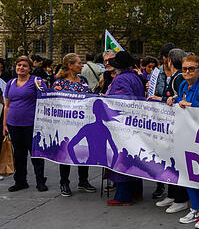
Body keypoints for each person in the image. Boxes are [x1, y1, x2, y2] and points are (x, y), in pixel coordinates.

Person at [165, 55, 199, 229]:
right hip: (186, 137)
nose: (187, 72)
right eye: (184, 68)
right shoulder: (182, 85)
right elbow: (180, 99)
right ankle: (196, 208)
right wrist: (173, 100)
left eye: (191, 68)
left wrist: (189, 105)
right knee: (189, 174)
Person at [52, 53, 97, 197]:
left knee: (84, 150)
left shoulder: (82, 80)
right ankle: (64, 182)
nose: (82, 65)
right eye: (78, 63)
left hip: (83, 123)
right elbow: (54, 102)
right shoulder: (59, 83)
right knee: (66, 151)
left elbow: (89, 96)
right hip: (67, 125)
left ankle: (83, 180)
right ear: (70, 65)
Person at [105, 51, 145, 206]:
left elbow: (120, 101)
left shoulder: (121, 79)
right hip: (136, 122)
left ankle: (123, 195)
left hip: (122, 123)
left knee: (121, 157)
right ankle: (136, 192)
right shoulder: (135, 77)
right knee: (134, 157)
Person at [2, 56, 47, 192]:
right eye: (19, 65)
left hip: (31, 124)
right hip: (13, 124)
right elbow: (7, 105)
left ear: (30, 69)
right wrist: (4, 124)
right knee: (19, 155)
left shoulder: (36, 81)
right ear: (15, 67)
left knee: (35, 154)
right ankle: (20, 181)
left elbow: (46, 99)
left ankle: (40, 181)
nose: (21, 68)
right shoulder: (10, 83)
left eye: (24, 66)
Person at [152, 49, 189, 212]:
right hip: (170, 126)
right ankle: (172, 194)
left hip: (178, 127)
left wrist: (163, 99)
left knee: (177, 162)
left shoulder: (179, 77)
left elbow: (181, 98)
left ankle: (181, 198)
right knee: (169, 162)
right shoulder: (173, 77)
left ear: (169, 61)